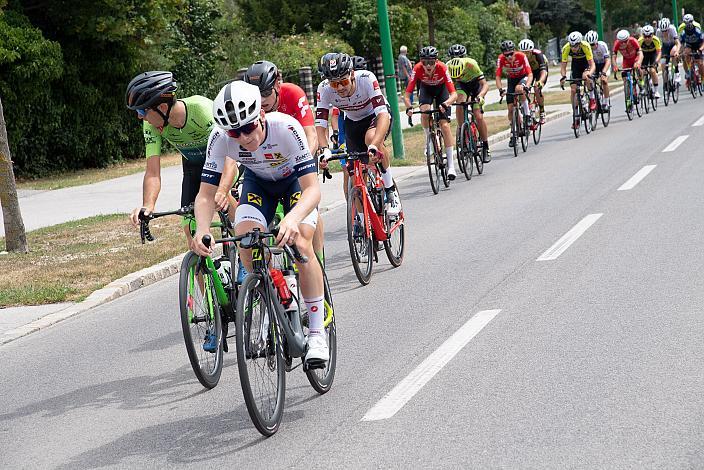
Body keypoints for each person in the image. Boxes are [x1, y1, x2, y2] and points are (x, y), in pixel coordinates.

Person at [192, 80, 328, 367]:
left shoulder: (286, 128)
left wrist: (292, 218)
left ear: (261, 115)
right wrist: (202, 230)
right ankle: (271, 296)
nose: (243, 137)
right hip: (259, 185)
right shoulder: (219, 139)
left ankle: (317, 333)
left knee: (301, 243)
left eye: (248, 127)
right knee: (245, 238)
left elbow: (313, 189)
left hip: (295, 185)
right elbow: (205, 195)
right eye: (234, 131)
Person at [125, 71, 226, 245]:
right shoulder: (151, 125)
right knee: (189, 229)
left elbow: (230, 153)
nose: (140, 116)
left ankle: (245, 263)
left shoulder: (202, 110)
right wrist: (148, 205)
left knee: (224, 201)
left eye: (142, 110)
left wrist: (223, 190)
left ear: (162, 108)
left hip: (224, 162)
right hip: (193, 167)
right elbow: (152, 172)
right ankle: (200, 268)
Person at [316, 52, 401, 213]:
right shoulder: (324, 89)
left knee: (371, 138)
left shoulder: (366, 79)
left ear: (352, 74)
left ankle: (390, 190)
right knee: (355, 178)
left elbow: (382, 114)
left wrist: (375, 144)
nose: (340, 88)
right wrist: (324, 149)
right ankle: (361, 225)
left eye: (343, 81)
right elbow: (320, 124)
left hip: (375, 116)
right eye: (334, 84)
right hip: (353, 121)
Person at [404, 46, 458, 178]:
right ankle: (429, 138)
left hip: (442, 91)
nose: (428, 66)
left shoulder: (442, 68)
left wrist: (446, 103)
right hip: (426, 89)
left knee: (445, 125)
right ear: (420, 62)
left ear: (437, 61)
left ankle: (451, 166)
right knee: (425, 111)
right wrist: (409, 107)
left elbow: (454, 94)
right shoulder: (417, 69)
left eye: (431, 62)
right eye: (424, 62)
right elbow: (407, 95)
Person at [446, 55, 491, 163]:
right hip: (462, 87)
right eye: (456, 77)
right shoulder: (447, 67)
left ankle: (485, 146)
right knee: (460, 102)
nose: (459, 77)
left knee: (478, 116)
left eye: (460, 75)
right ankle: (463, 131)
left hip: (476, 87)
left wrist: (480, 96)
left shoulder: (471, 64)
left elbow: (485, 84)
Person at [496, 40, 533, 146]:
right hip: (511, 79)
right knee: (511, 109)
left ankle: (527, 114)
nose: (509, 57)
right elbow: (498, 76)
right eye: (506, 55)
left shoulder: (521, 56)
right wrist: (500, 89)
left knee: (519, 89)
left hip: (523, 77)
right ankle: (513, 133)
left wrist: (527, 86)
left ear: (514, 51)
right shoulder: (501, 58)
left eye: (511, 54)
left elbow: (530, 74)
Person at [560, 32, 596, 125]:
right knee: (573, 90)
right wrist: (563, 77)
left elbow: (592, 64)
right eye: (572, 46)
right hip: (575, 66)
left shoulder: (585, 46)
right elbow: (563, 67)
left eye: (575, 46)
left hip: (585, 64)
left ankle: (592, 98)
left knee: (585, 77)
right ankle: (575, 116)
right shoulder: (566, 48)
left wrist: (589, 73)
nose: (573, 48)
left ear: (580, 43)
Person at [518, 38, 549, 123]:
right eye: (523, 52)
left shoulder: (538, 55)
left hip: (540, 71)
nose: (525, 55)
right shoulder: (519, 57)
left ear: (531, 51)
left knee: (536, 88)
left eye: (527, 52)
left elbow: (543, 72)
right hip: (529, 73)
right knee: (522, 89)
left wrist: (540, 82)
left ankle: (542, 111)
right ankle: (527, 108)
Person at [585, 30, 612, 108]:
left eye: (593, 44)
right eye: (590, 45)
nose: (591, 47)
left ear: (596, 42)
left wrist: (603, 72)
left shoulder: (602, 46)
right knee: (589, 79)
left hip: (604, 64)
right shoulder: (587, 48)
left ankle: (606, 102)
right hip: (595, 65)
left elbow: (608, 60)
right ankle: (592, 97)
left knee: (604, 81)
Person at [613, 29, 643, 98]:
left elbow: (640, 53)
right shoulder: (617, 43)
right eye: (621, 42)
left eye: (625, 41)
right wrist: (615, 66)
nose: (623, 44)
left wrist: (638, 62)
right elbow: (614, 56)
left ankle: (642, 84)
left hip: (636, 58)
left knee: (638, 68)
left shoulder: (633, 41)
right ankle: (628, 92)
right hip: (626, 60)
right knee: (624, 75)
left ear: (628, 39)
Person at [638, 25, 662, 98]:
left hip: (653, 54)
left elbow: (659, 53)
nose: (647, 38)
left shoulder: (656, 40)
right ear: (643, 36)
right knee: (641, 70)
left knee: (652, 70)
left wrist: (656, 61)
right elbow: (638, 54)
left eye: (649, 36)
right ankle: (642, 86)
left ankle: (656, 91)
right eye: (645, 36)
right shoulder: (640, 41)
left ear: (653, 35)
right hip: (643, 55)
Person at [680, 20, 704, 87]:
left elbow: (703, 42)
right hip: (689, 45)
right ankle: (690, 70)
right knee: (686, 53)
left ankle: (703, 78)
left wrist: (700, 50)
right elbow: (681, 45)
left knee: (700, 64)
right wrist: (681, 52)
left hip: (698, 45)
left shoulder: (697, 31)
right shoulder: (683, 33)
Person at [657, 18, 681, 84]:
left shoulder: (672, 29)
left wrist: (677, 52)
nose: (664, 32)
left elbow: (678, 43)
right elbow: (658, 45)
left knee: (673, 53)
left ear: (668, 29)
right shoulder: (658, 31)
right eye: (663, 31)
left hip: (673, 44)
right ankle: (666, 84)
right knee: (663, 64)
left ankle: (677, 72)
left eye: (666, 30)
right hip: (665, 46)